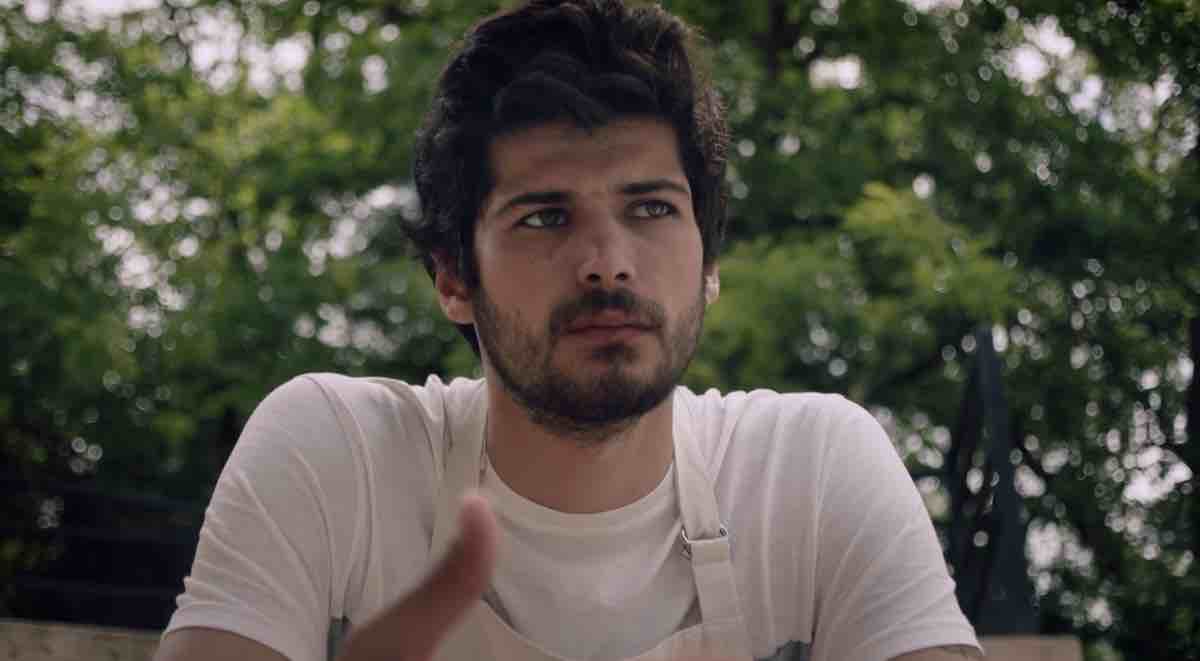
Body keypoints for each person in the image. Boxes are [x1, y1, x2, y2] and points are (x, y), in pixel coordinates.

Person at [154, 1, 983, 660]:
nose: (608, 264)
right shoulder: (338, 456)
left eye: (651, 208)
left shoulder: (812, 470)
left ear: (709, 262)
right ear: (453, 278)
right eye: (545, 216)